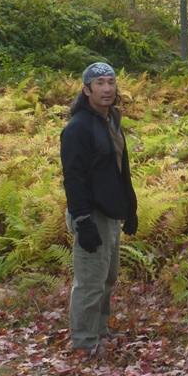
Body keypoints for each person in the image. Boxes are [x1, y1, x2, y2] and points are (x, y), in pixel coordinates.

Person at [60, 62, 138, 359]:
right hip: (90, 214)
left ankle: (100, 330)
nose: (107, 88)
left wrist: (129, 209)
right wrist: (82, 220)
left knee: (107, 277)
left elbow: (120, 169)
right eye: (100, 83)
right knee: (90, 282)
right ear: (86, 90)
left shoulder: (111, 119)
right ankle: (83, 341)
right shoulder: (78, 127)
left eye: (110, 82)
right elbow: (73, 178)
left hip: (110, 212)